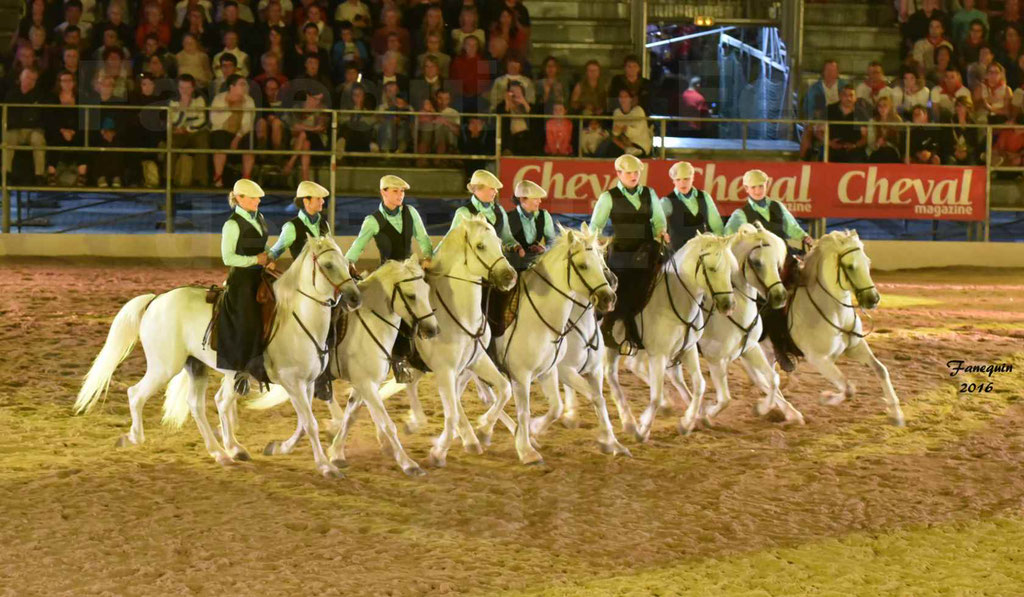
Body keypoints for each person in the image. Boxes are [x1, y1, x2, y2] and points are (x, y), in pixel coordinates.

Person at [346, 175, 434, 382]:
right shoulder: (372, 221)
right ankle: (398, 358)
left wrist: (428, 255)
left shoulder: (411, 213)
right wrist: (348, 261)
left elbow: (423, 238)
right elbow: (358, 245)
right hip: (387, 275)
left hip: (409, 271)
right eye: (395, 191)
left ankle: (420, 350)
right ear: (383, 192)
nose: (400, 195)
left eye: (402, 191)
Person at [723, 169, 813, 372]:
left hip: (783, 261)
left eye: (760, 186)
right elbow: (727, 236)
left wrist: (805, 237)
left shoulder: (778, 207)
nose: (757, 190)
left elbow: (792, 227)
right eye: (753, 187)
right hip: (761, 269)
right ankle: (779, 347)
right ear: (746, 189)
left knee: (807, 287)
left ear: (766, 186)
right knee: (771, 304)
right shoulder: (740, 215)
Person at [590, 154, 669, 354]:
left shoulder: (649, 193)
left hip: (646, 247)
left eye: (636, 173)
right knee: (623, 284)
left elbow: (658, 219)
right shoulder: (608, 197)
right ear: (619, 174)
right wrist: (596, 240)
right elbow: (596, 226)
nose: (634, 176)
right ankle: (610, 324)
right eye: (629, 173)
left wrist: (661, 232)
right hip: (622, 250)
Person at [268, 180, 335, 399]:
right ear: (306, 201)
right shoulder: (292, 227)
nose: (322, 202)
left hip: (322, 285)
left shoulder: (324, 224)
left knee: (337, 314)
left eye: (322, 199)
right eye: (318, 199)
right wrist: (270, 260)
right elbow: (277, 250)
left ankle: (325, 367)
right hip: (301, 286)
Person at [217, 178, 273, 395]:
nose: (258, 200)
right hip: (241, 281)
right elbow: (227, 257)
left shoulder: (259, 217)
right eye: (253, 197)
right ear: (239, 199)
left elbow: (261, 243)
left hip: (261, 275)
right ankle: (241, 368)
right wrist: (255, 260)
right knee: (247, 318)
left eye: (258, 197)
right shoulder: (231, 225)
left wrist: (269, 255)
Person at [661, 161, 723, 251]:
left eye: (686, 179)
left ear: (693, 178)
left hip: (703, 252)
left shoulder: (704, 196)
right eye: (678, 180)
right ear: (673, 181)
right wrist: (661, 232)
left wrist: (717, 243)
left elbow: (717, 226)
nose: (682, 183)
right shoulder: (666, 201)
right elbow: (655, 221)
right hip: (678, 253)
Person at [505, 179, 556, 270]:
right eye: (536, 198)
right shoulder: (508, 218)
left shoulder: (544, 215)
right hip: (512, 267)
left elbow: (552, 241)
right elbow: (502, 243)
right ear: (522, 199)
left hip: (536, 267)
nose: (540, 201)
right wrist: (515, 248)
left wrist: (544, 249)